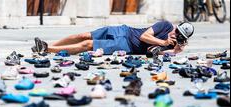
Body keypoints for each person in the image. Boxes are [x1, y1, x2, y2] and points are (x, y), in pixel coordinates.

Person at [33, 21, 195, 56]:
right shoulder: (166, 26)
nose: (175, 35)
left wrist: (174, 51)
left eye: (180, 36)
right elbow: (145, 36)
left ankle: (46, 49)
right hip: (124, 30)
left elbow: (152, 52)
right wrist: (164, 42)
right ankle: (49, 47)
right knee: (82, 35)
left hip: (126, 45)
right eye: (177, 31)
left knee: (88, 44)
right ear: (176, 27)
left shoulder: (171, 45)